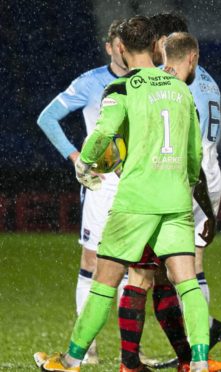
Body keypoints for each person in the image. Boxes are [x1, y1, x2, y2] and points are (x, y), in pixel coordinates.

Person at [34, 16, 211, 372]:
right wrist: (186, 184)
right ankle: (200, 362)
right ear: (156, 46)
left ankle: (71, 361)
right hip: (175, 199)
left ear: (121, 49)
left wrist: (84, 163)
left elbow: (102, 136)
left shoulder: (121, 89)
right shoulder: (179, 88)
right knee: (186, 281)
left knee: (104, 281)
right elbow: (194, 154)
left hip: (135, 201)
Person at [116, 13, 221, 371]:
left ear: (167, 42)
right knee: (184, 266)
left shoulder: (170, 81)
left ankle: (198, 346)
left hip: (182, 175)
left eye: (158, 41)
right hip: (208, 172)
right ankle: (195, 348)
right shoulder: (206, 79)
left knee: (157, 270)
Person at [36, 19, 127, 364]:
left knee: (135, 267)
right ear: (109, 47)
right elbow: (47, 117)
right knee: (91, 259)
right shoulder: (91, 82)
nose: (123, 50)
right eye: (117, 44)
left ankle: (131, 348)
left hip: (136, 184)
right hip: (101, 184)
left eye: (127, 44)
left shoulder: (146, 82)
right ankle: (86, 347)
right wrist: (75, 157)